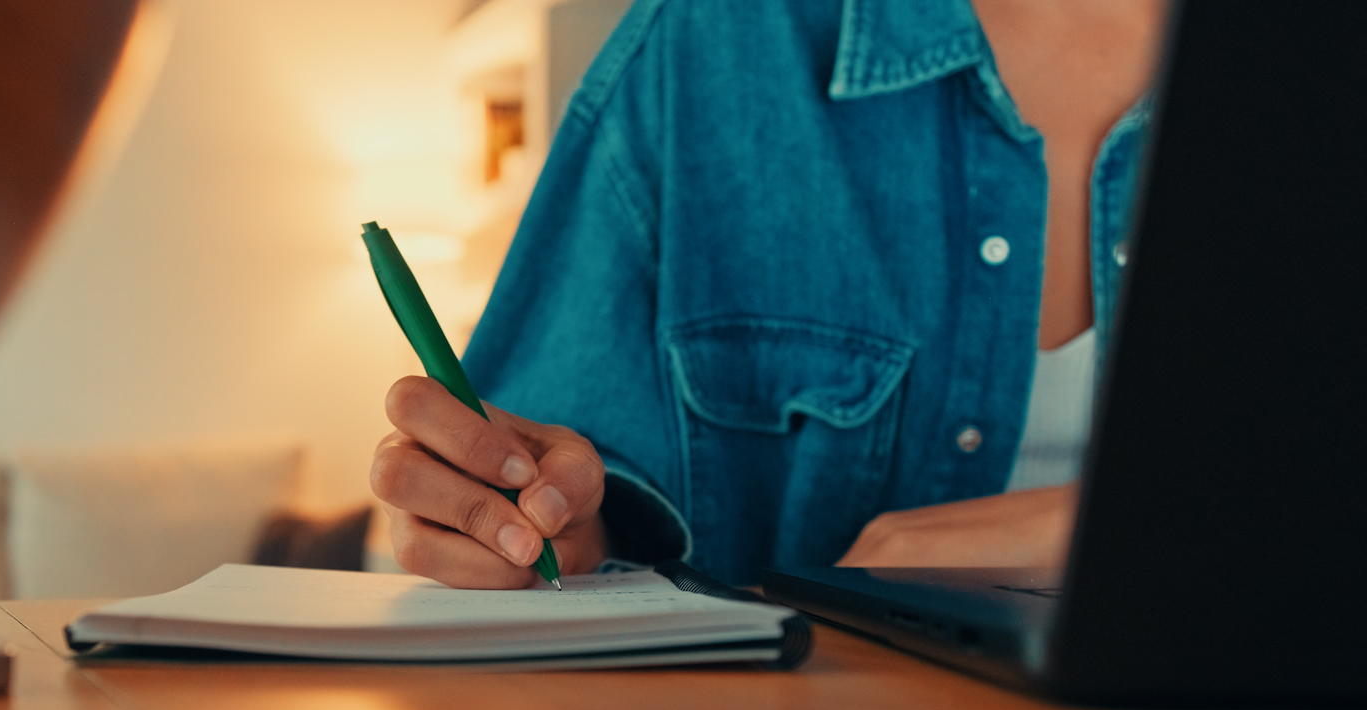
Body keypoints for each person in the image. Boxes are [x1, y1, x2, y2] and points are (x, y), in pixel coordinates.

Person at [369, 0, 1167, 588]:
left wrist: (1107, 527)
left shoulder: (1291, 70)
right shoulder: (711, 42)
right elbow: (561, 492)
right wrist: (541, 520)